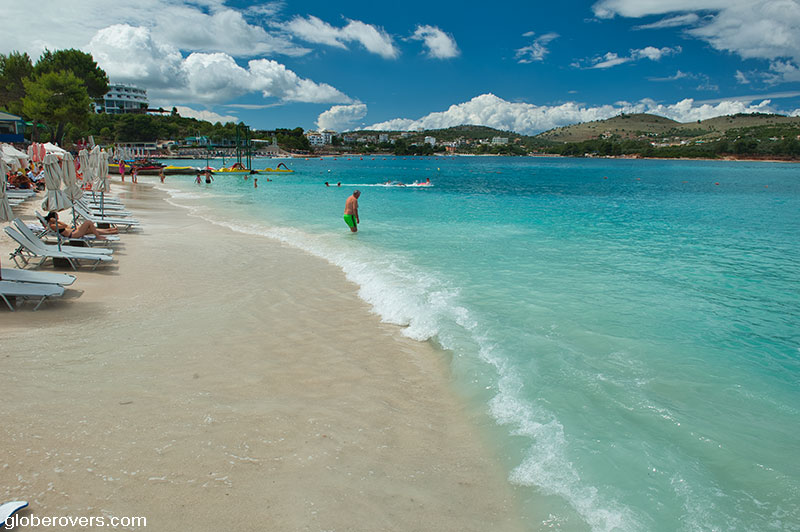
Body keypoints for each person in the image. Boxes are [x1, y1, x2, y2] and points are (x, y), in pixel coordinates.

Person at [44, 211, 118, 239]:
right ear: (52, 218)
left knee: (92, 230)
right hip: (74, 234)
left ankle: (110, 231)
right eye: (56, 217)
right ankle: (98, 236)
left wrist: (57, 221)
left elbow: (65, 225)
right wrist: (56, 222)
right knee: (88, 222)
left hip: (74, 231)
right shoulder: (52, 226)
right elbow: (64, 226)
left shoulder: (55, 224)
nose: (58, 218)